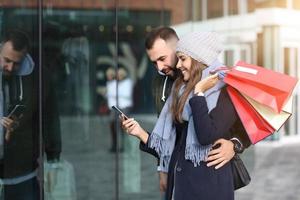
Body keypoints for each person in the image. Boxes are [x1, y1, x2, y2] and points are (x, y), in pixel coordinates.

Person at [123, 31, 243, 200]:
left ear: (199, 58)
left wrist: (235, 144)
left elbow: (207, 134)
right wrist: (140, 133)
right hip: (179, 182)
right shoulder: (178, 88)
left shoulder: (225, 88)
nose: (178, 65)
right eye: (154, 62)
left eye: (182, 58)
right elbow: (173, 141)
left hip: (208, 184)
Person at [0, 29, 61, 200]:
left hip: (24, 172)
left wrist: (53, 159)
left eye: (17, 63)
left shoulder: (39, 77)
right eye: (6, 60)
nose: (10, 67)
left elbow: (50, 118)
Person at [106, 67, 133, 152]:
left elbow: (126, 94)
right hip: (116, 106)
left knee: (123, 126)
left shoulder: (127, 83)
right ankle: (115, 144)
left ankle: (124, 145)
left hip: (124, 106)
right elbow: (110, 94)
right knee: (112, 124)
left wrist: (113, 94)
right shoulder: (114, 83)